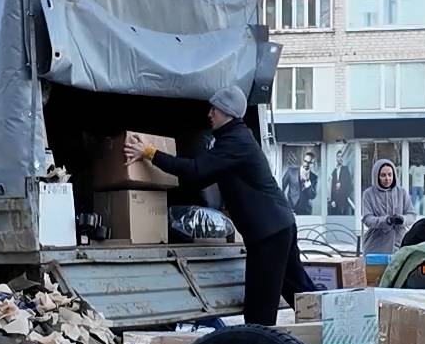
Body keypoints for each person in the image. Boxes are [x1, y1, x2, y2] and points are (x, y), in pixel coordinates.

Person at [125, 87, 305, 325]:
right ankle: (333, 331)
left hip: (269, 233)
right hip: (278, 225)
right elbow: (203, 177)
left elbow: (195, 171)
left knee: (260, 309)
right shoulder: (235, 138)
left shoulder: (235, 142)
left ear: (227, 112)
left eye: (215, 109)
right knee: (300, 293)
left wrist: (151, 153)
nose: (210, 113)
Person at [359, 160, 410, 255]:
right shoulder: (368, 194)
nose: (387, 178)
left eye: (390, 175)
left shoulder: (401, 192)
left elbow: (411, 214)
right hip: (375, 246)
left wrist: (403, 219)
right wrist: (386, 220)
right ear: (376, 176)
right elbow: (367, 218)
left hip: (399, 245)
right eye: (383, 175)